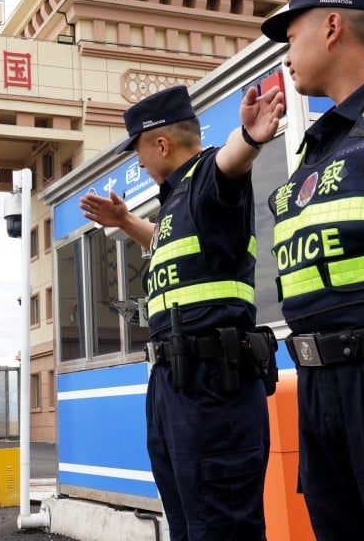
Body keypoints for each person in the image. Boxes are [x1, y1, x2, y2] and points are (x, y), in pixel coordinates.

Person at [79, 82, 283, 541]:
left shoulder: (209, 177)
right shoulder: (177, 201)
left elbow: (230, 163)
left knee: (223, 527)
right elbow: (164, 240)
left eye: (138, 150)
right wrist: (124, 221)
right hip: (175, 385)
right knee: (188, 525)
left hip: (214, 385)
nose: (138, 162)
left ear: (162, 144)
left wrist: (248, 139)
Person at [261, 0, 364, 540]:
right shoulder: (320, 146)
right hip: (321, 387)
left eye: (292, 37)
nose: (286, 55)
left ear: (333, 26)